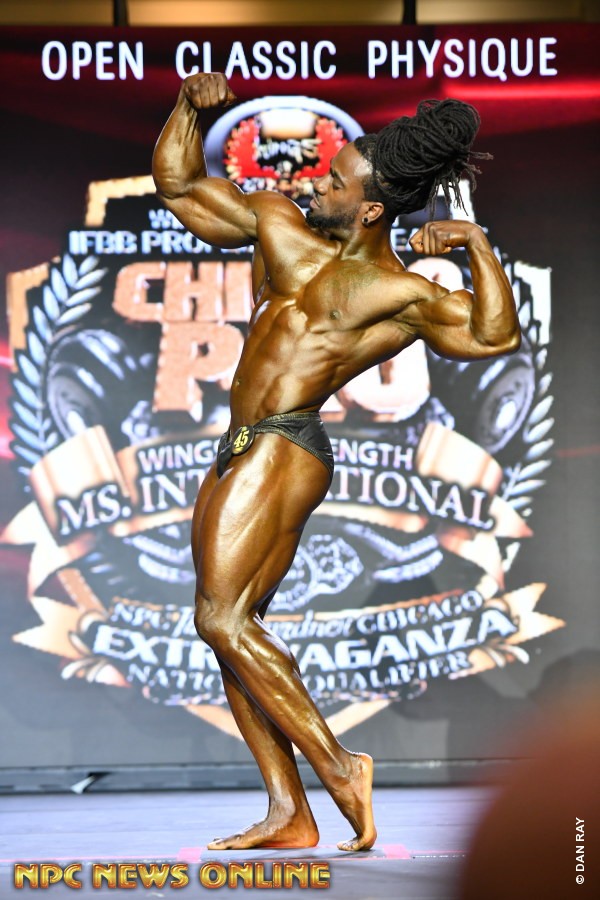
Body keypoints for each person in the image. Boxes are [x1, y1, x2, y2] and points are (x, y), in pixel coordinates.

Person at [152, 73, 520, 853]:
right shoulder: (276, 225)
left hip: (286, 443)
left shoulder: (396, 293)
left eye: (335, 180)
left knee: (220, 619)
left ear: (372, 209)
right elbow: (179, 186)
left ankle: (340, 766)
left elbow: (494, 337)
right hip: (239, 444)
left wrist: (475, 246)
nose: (315, 182)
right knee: (231, 628)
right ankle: (289, 812)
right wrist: (187, 108)